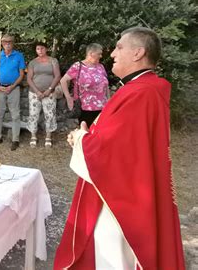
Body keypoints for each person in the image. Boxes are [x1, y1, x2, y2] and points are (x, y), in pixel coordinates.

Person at [54, 27, 185, 269]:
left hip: (120, 197)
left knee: (110, 251)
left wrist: (82, 138)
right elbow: (124, 141)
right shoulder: (142, 88)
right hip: (126, 186)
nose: (112, 53)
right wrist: (88, 136)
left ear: (138, 53)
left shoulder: (140, 92)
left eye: (119, 47)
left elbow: (115, 152)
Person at [60, 43, 109, 127]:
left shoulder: (101, 67)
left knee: (100, 133)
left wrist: (109, 99)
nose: (101, 56)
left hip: (103, 107)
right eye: (99, 54)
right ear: (91, 53)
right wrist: (68, 97)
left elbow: (106, 85)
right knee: (87, 133)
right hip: (85, 108)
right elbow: (63, 80)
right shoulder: (78, 66)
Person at [0, 34, 26, 151]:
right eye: (5, 42)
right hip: (0, 88)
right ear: (1, 43)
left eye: (9, 42)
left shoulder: (19, 56)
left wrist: (13, 86)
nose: (7, 44)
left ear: (13, 43)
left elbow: (21, 74)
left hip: (13, 88)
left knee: (15, 114)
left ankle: (15, 139)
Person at [26, 42, 61, 148]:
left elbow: (57, 75)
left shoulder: (53, 61)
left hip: (49, 93)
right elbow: (29, 78)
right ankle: (33, 136)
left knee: (50, 114)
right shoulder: (32, 62)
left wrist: (49, 89)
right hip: (34, 93)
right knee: (33, 114)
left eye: (42, 48)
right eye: (37, 49)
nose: (40, 50)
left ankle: (48, 136)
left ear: (46, 49)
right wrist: (37, 91)